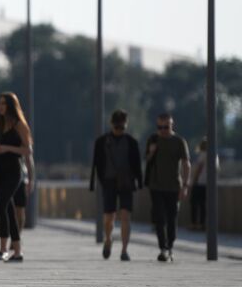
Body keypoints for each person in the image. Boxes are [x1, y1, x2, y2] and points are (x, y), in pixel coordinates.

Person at [0, 92, 34, 262]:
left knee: (1, 205)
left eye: (4, 104)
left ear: (11, 106)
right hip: (1, 171)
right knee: (7, 208)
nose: (0, 107)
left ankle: (3, 248)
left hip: (14, 171)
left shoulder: (19, 124)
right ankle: (17, 251)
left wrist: (7, 148)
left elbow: (28, 151)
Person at [90, 109, 143, 261]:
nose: (119, 130)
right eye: (117, 127)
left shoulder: (132, 142)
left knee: (126, 215)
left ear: (126, 125)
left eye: (122, 127)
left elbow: (137, 165)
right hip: (109, 182)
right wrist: (98, 181)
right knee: (109, 217)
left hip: (127, 182)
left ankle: (124, 250)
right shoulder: (102, 142)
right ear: (111, 125)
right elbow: (96, 164)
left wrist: (139, 182)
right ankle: (108, 239)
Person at [145, 113, 190, 262]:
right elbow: (147, 160)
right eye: (160, 127)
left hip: (173, 186)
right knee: (159, 219)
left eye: (166, 126)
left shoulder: (179, 141)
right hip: (156, 185)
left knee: (172, 218)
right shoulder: (153, 139)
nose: (162, 130)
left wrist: (185, 185)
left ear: (172, 125)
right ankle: (163, 249)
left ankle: (170, 246)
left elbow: (186, 163)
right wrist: (151, 151)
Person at [189, 138, 218, 231]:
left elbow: (199, 168)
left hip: (199, 182)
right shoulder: (214, 155)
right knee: (203, 205)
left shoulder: (203, 154)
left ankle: (194, 224)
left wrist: (194, 180)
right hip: (209, 183)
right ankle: (202, 224)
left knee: (194, 203)